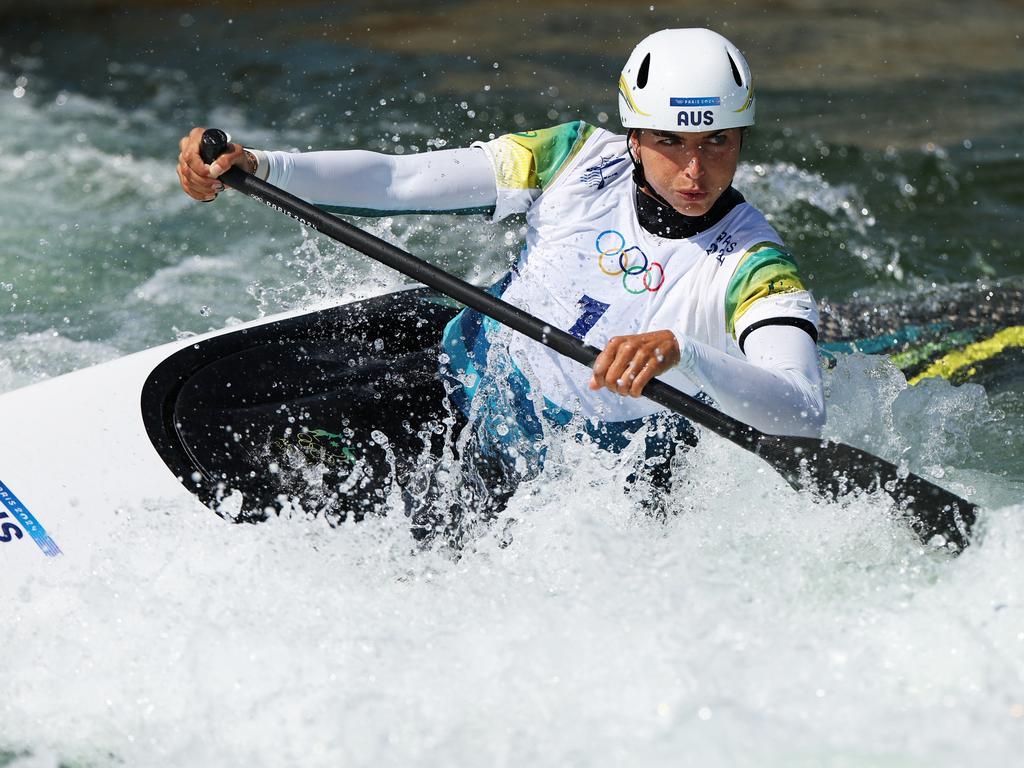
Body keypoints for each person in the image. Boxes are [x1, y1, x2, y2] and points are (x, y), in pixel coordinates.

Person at [176, 28, 825, 523]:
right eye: (671, 143)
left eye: (717, 142)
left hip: (579, 476)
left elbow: (800, 410)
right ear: (633, 136)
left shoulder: (754, 267)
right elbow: (397, 180)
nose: (694, 172)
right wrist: (264, 167)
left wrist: (690, 355)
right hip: (471, 382)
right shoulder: (570, 156)